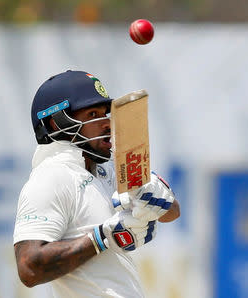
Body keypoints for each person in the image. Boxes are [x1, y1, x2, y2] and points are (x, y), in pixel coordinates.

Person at [13, 70, 180, 298]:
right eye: (93, 114)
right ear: (56, 122)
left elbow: (172, 212)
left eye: (105, 114)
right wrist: (103, 237)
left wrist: (157, 198)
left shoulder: (104, 170)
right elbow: (29, 268)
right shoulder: (52, 176)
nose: (107, 124)